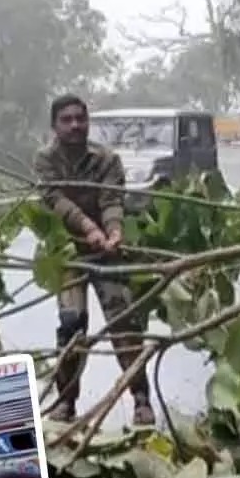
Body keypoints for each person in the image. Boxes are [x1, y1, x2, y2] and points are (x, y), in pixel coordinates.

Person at [32, 94, 155, 427]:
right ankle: (66, 402)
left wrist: (113, 231)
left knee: (124, 321)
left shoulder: (107, 159)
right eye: (67, 119)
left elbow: (112, 199)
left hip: (107, 252)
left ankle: (141, 400)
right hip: (68, 252)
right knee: (72, 325)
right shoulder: (45, 161)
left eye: (80, 118)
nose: (75, 125)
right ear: (55, 126)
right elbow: (55, 200)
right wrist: (89, 228)